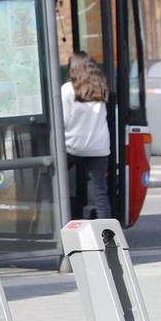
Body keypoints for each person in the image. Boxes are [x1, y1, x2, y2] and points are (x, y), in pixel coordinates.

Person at [63, 51, 113, 220]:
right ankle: (106, 234)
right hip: (99, 147)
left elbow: (62, 120)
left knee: (57, 186)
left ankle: (65, 224)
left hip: (73, 146)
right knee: (100, 192)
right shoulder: (101, 86)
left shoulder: (68, 89)